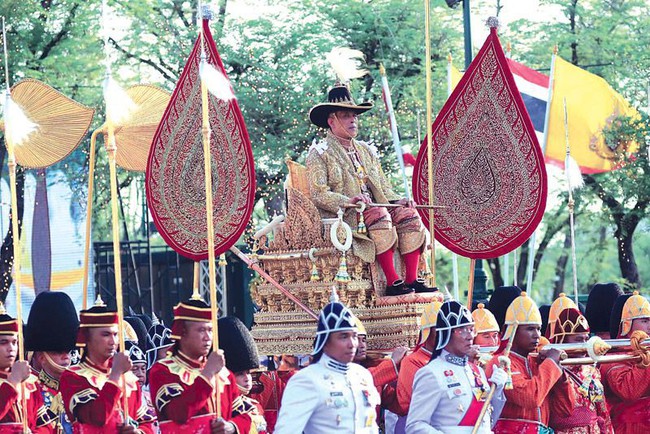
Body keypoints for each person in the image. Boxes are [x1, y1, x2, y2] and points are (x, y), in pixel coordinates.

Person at [306, 83, 432, 296]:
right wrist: (348, 200)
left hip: (376, 209)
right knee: (379, 214)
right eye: (346, 115)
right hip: (346, 216)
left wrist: (398, 201)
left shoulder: (366, 150)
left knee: (410, 214)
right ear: (331, 121)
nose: (353, 120)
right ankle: (393, 282)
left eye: (354, 116)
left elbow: (383, 186)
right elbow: (318, 194)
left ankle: (412, 280)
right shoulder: (319, 153)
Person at [274, 290, 380, 433]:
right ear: (325, 342)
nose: (352, 343)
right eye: (343, 337)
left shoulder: (362, 375)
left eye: (354, 336)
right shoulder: (307, 380)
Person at [148, 297, 252, 433]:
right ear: (182, 333)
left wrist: (230, 427)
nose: (208, 337)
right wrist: (207, 374)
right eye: (201, 330)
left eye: (210, 330)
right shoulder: (163, 371)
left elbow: (244, 416)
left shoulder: (223, 374)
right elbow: (178, 413)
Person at [406, 300, 508, 433]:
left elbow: (488, 422)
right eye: (462, 330)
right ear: (446, 333)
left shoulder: (477, 371)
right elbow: (415, 426)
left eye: (471, 329)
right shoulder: (431, 373)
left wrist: (498, 391)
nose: (470, 336)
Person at [59, 297, 155, 433]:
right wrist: (115, 375)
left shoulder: (128, 377)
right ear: (87, 337)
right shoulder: (74, 376)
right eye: (106, 335)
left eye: (116, 334)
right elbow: (97, 417)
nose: (113, 341)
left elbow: (147, 422)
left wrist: (137, 432)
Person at [485, 292, 576, 434]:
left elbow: (565, 409)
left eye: (539, 329)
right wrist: (551, 363)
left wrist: (560, 374)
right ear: (512, 331)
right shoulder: (500, 362)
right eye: (530, 329)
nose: (537, 335)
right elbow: (530, 398)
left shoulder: (538, 362)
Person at [545, 304, 612, 434]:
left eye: (586, 339)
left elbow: (602, 410)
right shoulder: (551, 369)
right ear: (563, 340)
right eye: (578, 340)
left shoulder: (591, 369)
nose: (584, 345)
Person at [26, 291, 80, 434]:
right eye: (57, 352)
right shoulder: (29, 389)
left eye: (68, 351)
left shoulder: (81, 386)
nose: (66, 358)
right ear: (40, 357)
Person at [600, 291, 650, 434]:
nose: (649, 326)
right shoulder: (612, 358)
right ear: (627, 324)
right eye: (644, 321)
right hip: (627, 428)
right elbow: (629, 391)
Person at [0, 302, 54, 432]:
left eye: (15, 342)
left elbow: (46, 426)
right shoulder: (19, 377)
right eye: (3, 343)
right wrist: (13, 381)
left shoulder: (30, 381)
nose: (11, 349)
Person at [394, 300, 443, 426]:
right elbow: (421, 401)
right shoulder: (412, 362)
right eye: (439, 329)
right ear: (426, 332)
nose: (444, 334)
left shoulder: (447, 359)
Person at [218, 316, 267, 434]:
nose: (247, 379)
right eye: (240, 374)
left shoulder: (253, 405)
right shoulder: (217, 404)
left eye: (249, 373)